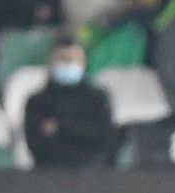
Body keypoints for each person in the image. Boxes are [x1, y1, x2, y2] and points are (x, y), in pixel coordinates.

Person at [24, 34, 117, 168]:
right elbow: (37, 146)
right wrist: (80, 131)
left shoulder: (98, 99)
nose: (69, 63)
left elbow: (104, 138)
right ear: (50, 62)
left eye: (74, 59)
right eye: (62, 59)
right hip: (49, 176)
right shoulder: (36, 102)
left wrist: (60, 127)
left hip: (92, 174)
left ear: (83, 62)